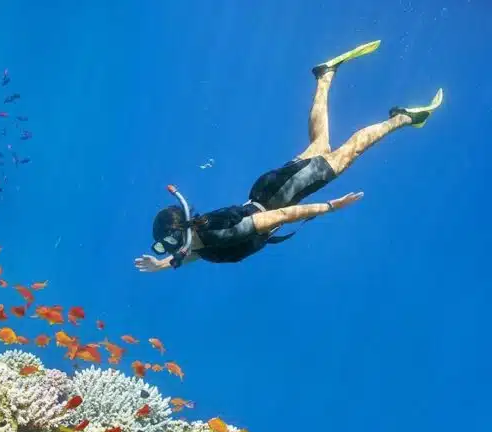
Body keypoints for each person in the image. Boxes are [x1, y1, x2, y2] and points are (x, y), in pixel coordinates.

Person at [136, 40, 442, 271]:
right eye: (164, 246)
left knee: (346, 154)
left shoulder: (221, 233)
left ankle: (401, 118)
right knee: (320, 144)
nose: (169, 249)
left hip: (281, 195)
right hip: (269, 189)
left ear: (182, 232)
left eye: (168, 243)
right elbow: (191, 254)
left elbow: (281, 216)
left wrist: (330, 206)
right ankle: (325, 75)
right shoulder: (203, 242)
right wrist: (162, 265)